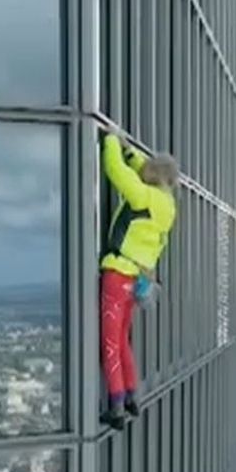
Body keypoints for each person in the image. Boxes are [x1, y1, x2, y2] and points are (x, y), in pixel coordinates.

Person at [99, 132, 179, 429]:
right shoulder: (167, 206)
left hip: (117, 273)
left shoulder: (143, 196)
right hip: (136, 281)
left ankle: (117, 405)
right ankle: (133, 396)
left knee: (110, 343)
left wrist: (110, 141)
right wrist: (131, 152)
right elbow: (147, 168)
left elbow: (115, 170)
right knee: (122, 341)